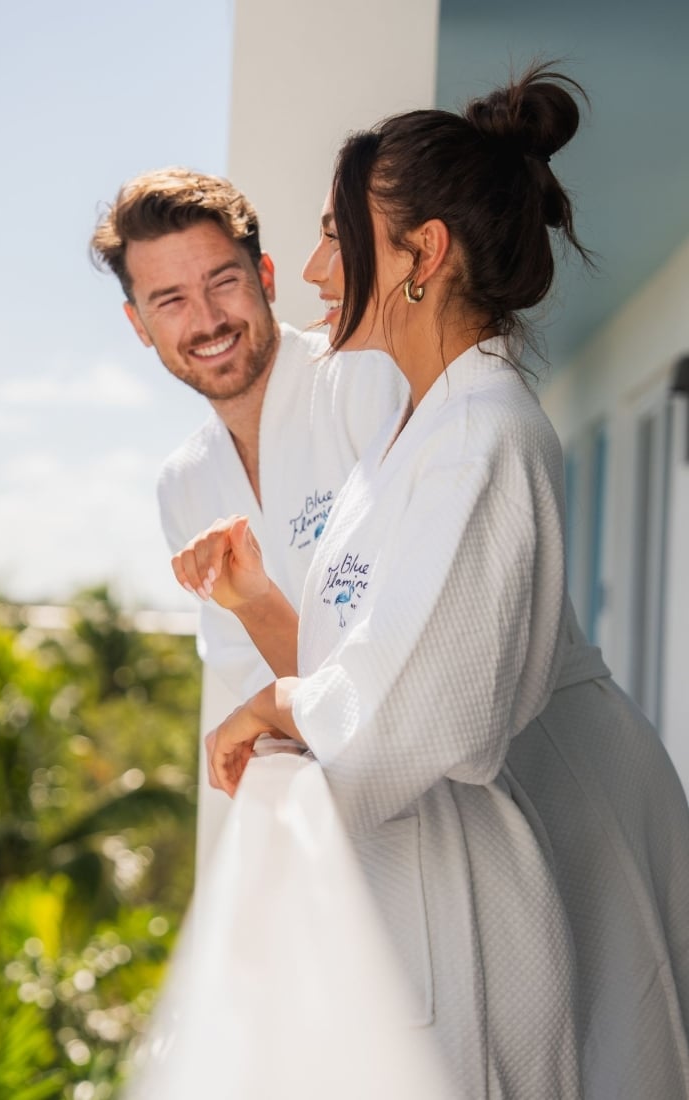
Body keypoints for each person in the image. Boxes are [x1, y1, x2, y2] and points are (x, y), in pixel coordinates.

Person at [173, 64, 689, 1097]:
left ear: (423, 253)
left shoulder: (480, 435)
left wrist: (279, 701)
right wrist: (262, 611)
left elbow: (430, 711)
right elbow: (386, 651)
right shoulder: (414, 425)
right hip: (487, 808)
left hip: (561, 805)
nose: (317, 268)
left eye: (338, 234)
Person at [90, 168, 405, 867]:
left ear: (265, 276)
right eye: (169, 300)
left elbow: (394, 675)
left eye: (222, 282)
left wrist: (265, 625)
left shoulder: (364, 382)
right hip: (362, 834)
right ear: (137, 323)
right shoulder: (186, 485)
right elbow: (283, 704)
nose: (205, 322)